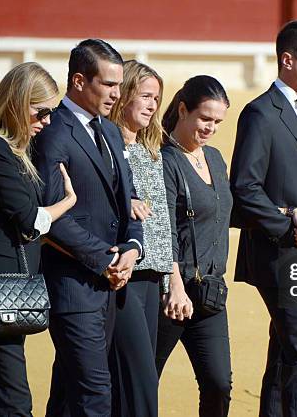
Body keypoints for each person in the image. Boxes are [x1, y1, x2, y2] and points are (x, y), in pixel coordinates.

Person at [229, 20, 297, 417]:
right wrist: (289, 229)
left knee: (286, 351)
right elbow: (244, 187)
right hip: (277, 252)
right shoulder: (260, 113)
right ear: (288, 59)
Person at [0, 61, 76, 417]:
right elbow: (28, 222)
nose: (47, 120)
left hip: (7, 285)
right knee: (14, 403)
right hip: (0, 287)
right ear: (16, 103)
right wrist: (67, 203)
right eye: (41, 111)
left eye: (52, 112)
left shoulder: (15, 150)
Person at [33, 39, 143, 417]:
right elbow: (51, 215)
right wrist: (106, 259)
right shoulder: (53, 131)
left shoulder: (111, 132)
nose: (118, 93)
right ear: (79, 82)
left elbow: (127, 198)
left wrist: (132, 247)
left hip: (108, 284)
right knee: (96, 395)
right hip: (73, 287)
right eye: (109, 84)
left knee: (68, 394)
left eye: (119, 84)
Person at [155, 75, 233, 417]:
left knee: (219, 384)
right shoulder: (165, 159)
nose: (211, 128)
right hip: (170, 296)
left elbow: (227, 210)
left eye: (217, 121)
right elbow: (165, 229)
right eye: (205, 118)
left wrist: (288, 213)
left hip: (210, 293)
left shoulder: (215, 158)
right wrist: (173, 287)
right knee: (144, 380)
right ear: (183, 110)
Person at [107, 60, 173, 417]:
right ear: (124, 95)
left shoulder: (153, 150)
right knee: (140, 378)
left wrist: (169, 280)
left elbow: (165, 221)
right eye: (145, 96)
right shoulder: (108, 145)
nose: (151, 105)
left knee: (126, 379)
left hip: (153, 276)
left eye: (156, 99)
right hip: (124, 274)